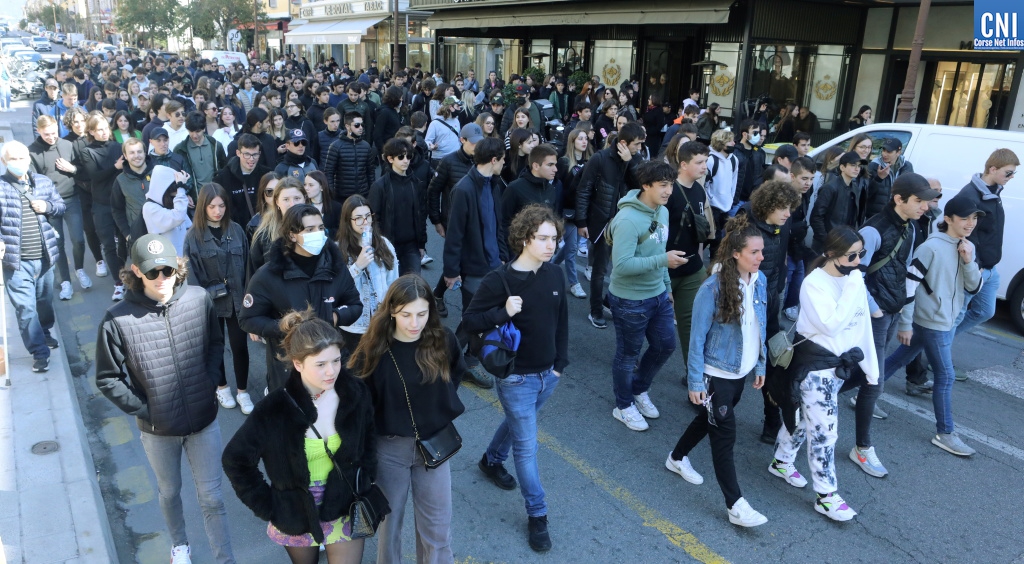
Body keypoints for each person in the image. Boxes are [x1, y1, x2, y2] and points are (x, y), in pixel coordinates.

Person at [94, 234, 236, 564]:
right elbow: (106, 378)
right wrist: (146, 409)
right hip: (158, 431)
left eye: (167, 271)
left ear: (178, 268)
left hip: (203, 422)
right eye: (153, 271)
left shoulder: (199, 299)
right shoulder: (117, 320)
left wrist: (209, 382)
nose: (161, 278)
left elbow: (216, 345)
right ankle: (180, 546)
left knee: (212, 497)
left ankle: (225, 559)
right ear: (135, 271)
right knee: (169, 492)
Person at [222, 308, 376, 564]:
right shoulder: (275, 409)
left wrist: (367, 478)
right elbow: (234, 460)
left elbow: (369, 440)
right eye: (321, 364)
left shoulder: (355, 393)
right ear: (298, 364)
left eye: (336, 361)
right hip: (294, 514)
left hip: (344, 505)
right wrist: (269, 506)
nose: (331, 371)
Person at [462, 204, 568, 552]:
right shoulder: (500, 280)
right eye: (543, 238)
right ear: (525, 239)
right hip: (516, 379)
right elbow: (471, 320)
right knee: (526, 447)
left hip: (547, 375)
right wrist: (502, 311)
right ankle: (538, 514)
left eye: (554, 238)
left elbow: (562, 320)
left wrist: (559, 364)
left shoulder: (554, 274)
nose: (551, 245)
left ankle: (491, 460)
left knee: (518, 424)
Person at [347, 275, 465, 564]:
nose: (415, 323)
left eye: (422, 314)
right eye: (406, 315)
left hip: (435, 446)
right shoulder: (372, 350)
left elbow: (455, 375)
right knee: (390, 529)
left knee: (437, 530)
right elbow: (358, 404)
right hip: (389, 450)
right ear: (391, 312)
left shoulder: (443, 340)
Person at [769, 226, 878, 522]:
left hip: (838, 366)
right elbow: (831, 325)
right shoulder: (814, 284)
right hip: (814, 367)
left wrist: (872, 369)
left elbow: (860, 326)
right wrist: (855, 287)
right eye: (852, 255)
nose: (858, 261)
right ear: (830, 254)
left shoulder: (851, 279)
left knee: (805, 420)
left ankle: (781, 460)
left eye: (861, 254)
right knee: (825, 432)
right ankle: (826, 495)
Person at [666, 214, 768, 528]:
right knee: (724, 434)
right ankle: (735, 504)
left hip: (741, 372)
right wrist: (695, 380)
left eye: (762, 251)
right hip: (715, 374)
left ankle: (676, 457)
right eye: (755, 252)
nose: (761, 258)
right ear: (736, 253)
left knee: (707, 418)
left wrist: (760, 364)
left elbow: (759, 326)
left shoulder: (759, 280)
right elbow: (695, 339)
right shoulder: (711, 288)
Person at [882, 196, 984, 457]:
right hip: (932, 321)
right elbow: (909, 284)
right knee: (946, 375)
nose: (970, 223)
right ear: (948, 219)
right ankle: (945, 433)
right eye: (965, 218)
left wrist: (969, 260)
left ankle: (861, 395)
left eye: (974, 218)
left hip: (944, 320)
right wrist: (905, 323)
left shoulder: (964, 246)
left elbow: (974, 287)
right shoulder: (931, 247)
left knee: (899, 358)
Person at [849, 173, 937, 464]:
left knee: (862, 372)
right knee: (874, 379)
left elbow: (905, 272)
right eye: (919, 201)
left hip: (890, 312)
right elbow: (854, 276)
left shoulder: (910, 228)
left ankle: (812, 396)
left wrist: (903, 315)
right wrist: (874, 308)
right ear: (899, 199)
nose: (925, 206)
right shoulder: (873, 230)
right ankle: (863, 448)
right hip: (872, 314)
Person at [239, 204, 363, 394]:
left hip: (329, 367)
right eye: (310, 229)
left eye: (321, 228)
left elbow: (355, 304)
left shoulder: (335, 267)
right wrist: (282, 326)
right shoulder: (268, 275)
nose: (318, 233)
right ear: (292, 235)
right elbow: (248, 319)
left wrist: (336, 316)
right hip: (287, 369)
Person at [606, 161, 685, 431]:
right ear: (646, 185)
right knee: (628, 355)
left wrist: (667, 285)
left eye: (671, 184)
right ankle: (624, 404)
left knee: (665, 346)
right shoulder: (628, 220)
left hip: (658, 294)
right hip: (629, 300)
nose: (668, 190)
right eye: (663, 185)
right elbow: (623, 265)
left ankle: (638, 389)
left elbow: (658, 250)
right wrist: (664, 261)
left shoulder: (661, 211)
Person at [441, 136, 508, 388]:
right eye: (502, 159)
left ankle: (464, 358)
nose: (504, 163)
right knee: (476, 318)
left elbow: (497, 225)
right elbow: (454, 235)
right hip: (473, 268)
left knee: (482, 317)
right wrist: (451, 271)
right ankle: (458, 359)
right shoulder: (464, 189)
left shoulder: (494, 184)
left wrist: (503, 257)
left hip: (494, 265)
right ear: (493, 160)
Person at [184, 183, 253, 414]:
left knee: (239, 346)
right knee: (216, 347)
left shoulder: (236, 230)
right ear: (203, 206)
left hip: (236, 300)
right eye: (212, 206)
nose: (217, 211)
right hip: (210, 303)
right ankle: (222, 387)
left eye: (222, 205)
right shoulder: (193, 236)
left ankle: (243, 391)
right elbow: (191, 276)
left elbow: (248, 268)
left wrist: (248, 298)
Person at [0, 141, 65, 373]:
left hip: (45, 258)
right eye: (14, 159)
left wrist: (47, 206)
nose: (20, 163)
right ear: (4, 162)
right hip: (16, 263)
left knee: (44, 302)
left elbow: (60, 206)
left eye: (23, 157)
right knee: (26, 309)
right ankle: (39, 352)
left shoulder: (43, 182)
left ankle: (45, 332)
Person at [574, 122, 645, 329]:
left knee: (624, 269)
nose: (639, 148)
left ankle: (608, 302)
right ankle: (596, 310)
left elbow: (644, 185)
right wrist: (581, 221)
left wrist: (630, 161)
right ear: (623, 143)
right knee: (600, 270)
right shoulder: (600, 158)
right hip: (603, 221)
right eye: (637, 144)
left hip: (627, 223)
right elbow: (584, 190)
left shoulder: (635, 159)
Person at [952, 148, 1018, 338]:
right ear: (992, 169)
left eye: (1014, 173)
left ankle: (938, 344)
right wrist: (976, 265)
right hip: (975, 269)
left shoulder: (993, 192)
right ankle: (937, 352)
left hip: (990, 270)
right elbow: (964, 233)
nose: (1012, 177)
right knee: (956, 316)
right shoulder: (970, 195)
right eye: (1009, 173)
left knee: (985, 312)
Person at [666, 142, 713, 388]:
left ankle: (694, 378)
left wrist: (700, 263)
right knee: (656, 330)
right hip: (664, 271)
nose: (704, 167)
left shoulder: (699, 191)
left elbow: (700, 232)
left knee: (693, 328)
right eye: (699, 162)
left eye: (706, 161)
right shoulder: (667, 192)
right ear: (683, 164)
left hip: (691, 270)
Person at [29, 115, 89, 301]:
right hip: (50, 205)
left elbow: (82, 169)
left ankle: (79, 269)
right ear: (38, 131)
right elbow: (32, 180)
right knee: (57, 244)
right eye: (47, 134)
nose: (51, 137)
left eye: (54, 133)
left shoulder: (67, 145)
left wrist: (73, 169)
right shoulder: (32, 152)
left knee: (78, 240)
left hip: (72, 199)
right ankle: (65, 281)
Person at [335, 194, 399, 345]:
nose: (364, 222)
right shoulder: (337, 250)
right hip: (353, 326)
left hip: (380, 321)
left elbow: (394, 282)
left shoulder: (384, 244)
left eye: (368, 216)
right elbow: (337, 290)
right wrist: (357, 266)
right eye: (358, 218)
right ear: (348, 221)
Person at [78, 114, 126, 300]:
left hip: (120, 202)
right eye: (99, 129)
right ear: (91, 131)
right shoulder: (87, 151)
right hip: (101, 204)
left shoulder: (116, 146)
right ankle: (119, 283)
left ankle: (124, 273)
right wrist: (115, 167)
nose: (104, 132)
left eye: (106, 128)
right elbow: (95, 176)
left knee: (123, 243)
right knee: (108, 245)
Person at [369, 138, 427, 275]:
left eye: (408, 156)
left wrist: (422, 244)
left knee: (412, 286)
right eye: (401, 157)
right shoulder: (380, 186)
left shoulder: (416, 183)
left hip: (411, 246)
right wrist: (378, 246)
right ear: (390, 159)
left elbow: (421, 215)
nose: (406, 160)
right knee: (391, 289)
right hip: (388, 245)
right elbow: (373, 219)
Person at [248, 177, 309, 277]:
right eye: (286, 199)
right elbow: (254, 274)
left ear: (305, 199)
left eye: (297, 198)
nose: (292, 204)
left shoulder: (314, 228)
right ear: (277, 202)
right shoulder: (264, 234)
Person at [810, 151, 870, 253]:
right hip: (826, 244)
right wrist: (826, 240)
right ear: (842, 167)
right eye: (853, 165)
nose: (857, 169)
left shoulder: (855, 188)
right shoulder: (830, 187)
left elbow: (853, 217)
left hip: (843, 243)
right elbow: (816, 217)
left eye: (859, 166)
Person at [556, 128, 591, 299]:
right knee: (571, 250)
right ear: (572, 141)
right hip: (567, 212)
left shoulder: (588, 162)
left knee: (572, 246)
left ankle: (549, 268)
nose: (584, 142)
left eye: (585, 138)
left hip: (581, 212)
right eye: (580, 139)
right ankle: (574, 283)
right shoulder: (564, 162)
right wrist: (559, 213)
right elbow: (558, 189)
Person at [213, 133, 272, 229]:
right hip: (234, 231)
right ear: (238, 153)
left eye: (255, 155)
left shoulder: (267, 174)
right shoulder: (222, 177)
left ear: (259, 154)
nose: (251, 159)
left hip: (261, 229)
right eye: (247, 154)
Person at [174, 111, 228, 197]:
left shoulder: (216, 146)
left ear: (204, 129)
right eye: (191, 131)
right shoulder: (180, 149)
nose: (194, 135)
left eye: (198, 131)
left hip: (216, 194)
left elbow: (224, 170)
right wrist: (186, 194)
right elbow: (177, 175)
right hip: (194, 198)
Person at [324, 112, 376, 202]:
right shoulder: (335, 146)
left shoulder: (366, 146)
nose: (360, 128)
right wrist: (331, 194)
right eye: (357, 125)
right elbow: (329, 172)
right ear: (347, 126)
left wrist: (372, 193)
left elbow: (370, 172)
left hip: (363, 194)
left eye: (362, 125)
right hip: (342, 196)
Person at [142, 165, 193, 255]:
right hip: (167, 263)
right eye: (175, 184)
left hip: (183, 261)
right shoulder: (149, 208)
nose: (177, 188)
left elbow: (190, 228)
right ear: (163, 186)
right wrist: (181, 188)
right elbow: (178, 217)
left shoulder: (173, 204)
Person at [866, 138, 914, 217]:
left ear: (898, 152)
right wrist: (879, 178)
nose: (884, 154)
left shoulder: (907, 166)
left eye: (889, 152)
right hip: (876, 215)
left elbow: (911, 190)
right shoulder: (874, 165)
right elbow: (866, 193)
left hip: (897, 214)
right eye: (883, 150)